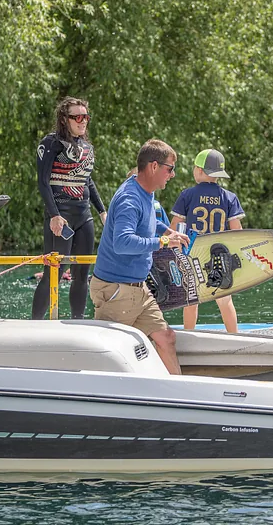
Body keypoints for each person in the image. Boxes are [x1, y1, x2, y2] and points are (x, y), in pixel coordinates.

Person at [89, 139, 189, 374]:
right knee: (107, 354)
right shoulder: (130, 199)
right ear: (154, 166)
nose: (172, 175)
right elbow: (122, 243)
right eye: (170, 168)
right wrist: (163, 242)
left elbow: (147, 221)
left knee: (166, 338)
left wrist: (166, 230)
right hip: (117, 290)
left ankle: (180, 394)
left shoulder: (145, 193)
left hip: (138, 289)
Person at [32, 97, 106, 320]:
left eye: (86, 117)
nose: (83, 121)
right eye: (78, 117)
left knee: (82, 274)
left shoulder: (87, 148)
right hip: (60, 215)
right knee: (53, 272)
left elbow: (88, 182)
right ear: (65, 120)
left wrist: (102, 211)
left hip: (84, 216)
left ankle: (78, 321)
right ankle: (34, 325)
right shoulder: (51, 143)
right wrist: (54, 215)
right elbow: (43, 182)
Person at [170, 149, 245, 333]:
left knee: (191, 299)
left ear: (200, 170)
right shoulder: (229, 197)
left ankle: (189, 335)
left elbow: (174, 227)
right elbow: (237, 231)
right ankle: (234, 336)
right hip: (219, 254)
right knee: (224, 299)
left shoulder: (187, 195)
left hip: (192, 252)